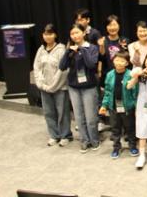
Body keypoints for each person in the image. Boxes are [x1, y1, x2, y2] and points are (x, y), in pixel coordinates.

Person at [59, 24, 100, 152]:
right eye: (72, 34)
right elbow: (62, 67)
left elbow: (91, 65)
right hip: (74, 87)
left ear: (83, 33)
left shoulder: (92, 47)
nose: (75, 36)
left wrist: (82, 49)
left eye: (77, 32)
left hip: (89, 87)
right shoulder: (70, 49)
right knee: (79, 117)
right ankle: (84, 141)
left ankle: (94, 140)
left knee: (90, 117)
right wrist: (68, 52)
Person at [33, 24, 71, 146]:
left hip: (60, 87)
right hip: (44, 88)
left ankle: (65, 135)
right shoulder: (41, 50)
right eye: (45, 34)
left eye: (50, 34)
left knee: (62, 112)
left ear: (55, 35)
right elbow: (37, 68)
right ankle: (54, 135)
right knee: (48, 113)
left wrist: (53, 86)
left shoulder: (61, 49)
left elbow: (63, 70)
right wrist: (41, 84)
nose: (47, 36)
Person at [99, 51, 139, 159]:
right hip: (113, 107)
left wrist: (135, 106)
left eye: (122, 61)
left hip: (128, 107)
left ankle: (132, 146)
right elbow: (107, 92)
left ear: (127, 63)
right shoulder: (109, 75)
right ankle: (116, 147)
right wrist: (104, 105)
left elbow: (135, 92)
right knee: (115, 128)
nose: (119, 63)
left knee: (130, 128)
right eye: (117, 60)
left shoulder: (130, 74)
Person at [98, 15, 129, 82]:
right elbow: (101, 58)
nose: (112, 27)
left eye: (114, 25)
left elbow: (127, 58)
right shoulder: (103, 40)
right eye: (109, 25)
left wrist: (124, 48)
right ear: (106, 27)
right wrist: (101, 46)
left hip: (122, 74)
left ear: (119, 26)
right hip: (106, 75)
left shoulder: (124, 40)